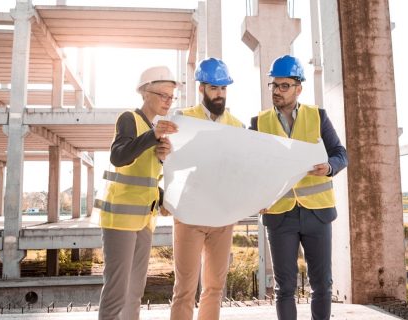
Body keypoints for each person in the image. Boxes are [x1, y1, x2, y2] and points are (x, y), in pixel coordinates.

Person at [250, 55, 348, 320]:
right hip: (280, 215)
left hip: (318, 213)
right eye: (274, 85)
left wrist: (329, 167)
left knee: (322, 285)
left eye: (284, 86)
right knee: (284, 288)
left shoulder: (318, 116)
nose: (277, 91)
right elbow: (251, 168)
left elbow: (340, 153)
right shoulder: (259, 123)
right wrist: (253, 197)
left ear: (298, 88)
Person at [95, 65, 179, 320]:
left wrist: (164, 158)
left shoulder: (157, 131)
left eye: (171, 96)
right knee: (116, 291)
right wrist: (153, 136)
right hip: (120, 219)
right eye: (163, 94)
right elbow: (119, 156)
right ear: (144, 92)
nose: (168, 101)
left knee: (135, 292)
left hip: (144, 220)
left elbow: (148, 180)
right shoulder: (129, 119)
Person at [169, 58, 245, 320]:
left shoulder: (237, 126)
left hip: (222, 217)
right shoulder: (183, 119)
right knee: (184, 290)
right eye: (214, 88)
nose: (220, 94)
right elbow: (170, 162)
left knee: (214, 288)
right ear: (201, 88)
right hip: (190, 215)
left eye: (223, 89)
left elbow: (242, 170)